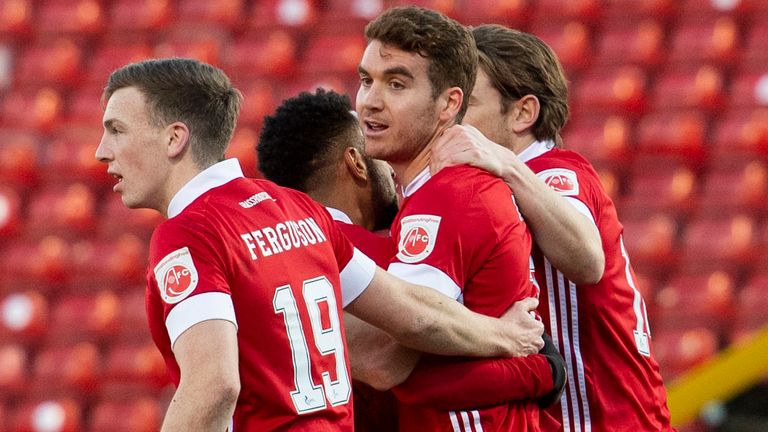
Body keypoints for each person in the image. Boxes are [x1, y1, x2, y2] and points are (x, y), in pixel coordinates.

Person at [94, 58, 546, 431]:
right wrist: (502, 335)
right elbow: (413, 314)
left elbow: (214, 385)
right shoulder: (296, 209)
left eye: (117, 129)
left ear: (175, 138)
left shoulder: (188, 233)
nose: (101, 150)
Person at [257, 88, 565, 432]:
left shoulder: (270, 252)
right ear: (357, 164)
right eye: (376, 154)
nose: (390, 168)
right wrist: (542, 369)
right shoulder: (374, 256)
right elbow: (396, 364)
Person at [429, 25, 675, 431]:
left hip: (603, 420)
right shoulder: (481, 186)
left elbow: (586, 258)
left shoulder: (555, 170)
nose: (449, 118)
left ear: (524, 113)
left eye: (466, 103)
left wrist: (506, 165)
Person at [355, 6, 563, 431]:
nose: (370, 102)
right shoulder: (435, 193)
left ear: (450, 103)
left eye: (396, 84)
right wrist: (540, 368)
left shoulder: (449, 197)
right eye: (365, 80)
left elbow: (392, 351)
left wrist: (541, 366)